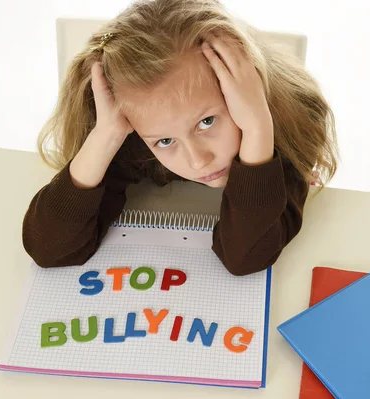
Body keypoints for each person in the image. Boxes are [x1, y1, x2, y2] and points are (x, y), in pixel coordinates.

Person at [22, 0, 338, 276]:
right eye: (164, 141)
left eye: (207, 121)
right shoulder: (132, 133)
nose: (198, 160)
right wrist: (106, 135)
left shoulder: (293, 119)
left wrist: (258, 130)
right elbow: (49, 249)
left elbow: (245, 257)